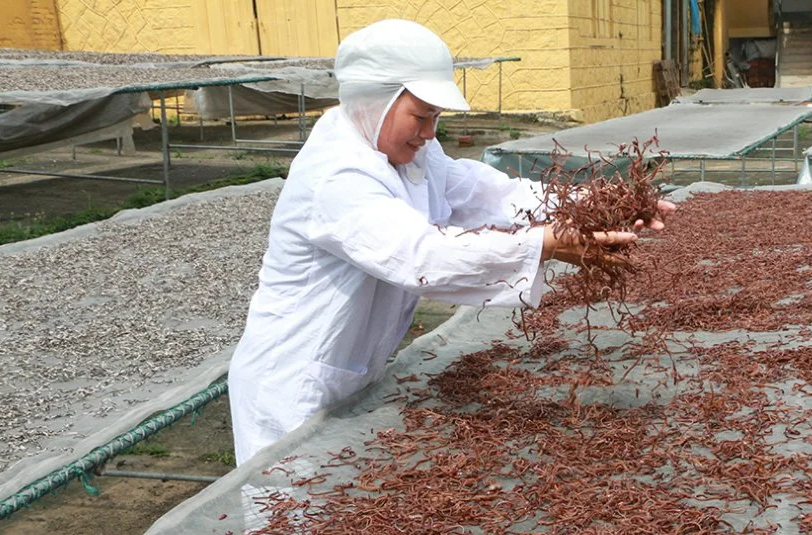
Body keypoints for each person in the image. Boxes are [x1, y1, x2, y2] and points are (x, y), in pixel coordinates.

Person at [228, 19, 674, 464]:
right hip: (289, 388)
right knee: (290, 521)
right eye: (421, 117)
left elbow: (493, 195)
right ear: (374, 102)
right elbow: (420, 256)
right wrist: (544, 244)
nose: (428, 133)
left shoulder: (408, 152)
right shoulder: (337, 174)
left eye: (436, 119)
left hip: (347, 369)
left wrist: (602, 203)